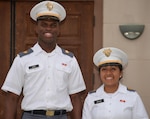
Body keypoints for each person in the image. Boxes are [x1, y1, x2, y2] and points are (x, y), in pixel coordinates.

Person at [1, 1, 86, 119]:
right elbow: (12, 97)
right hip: (31, 116)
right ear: (36, 28)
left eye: (53, 25)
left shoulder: (69, 59)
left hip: (60, 116)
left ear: (58, 29)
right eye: (44, 24)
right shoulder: (22, 59)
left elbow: (75, 97)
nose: (48, 29)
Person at [82, 47, 149, 119]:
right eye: (104, 69)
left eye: (113, 69)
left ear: (121, 73)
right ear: (99, 74)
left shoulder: (132, 96)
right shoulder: (91, 98)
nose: (108, 73)